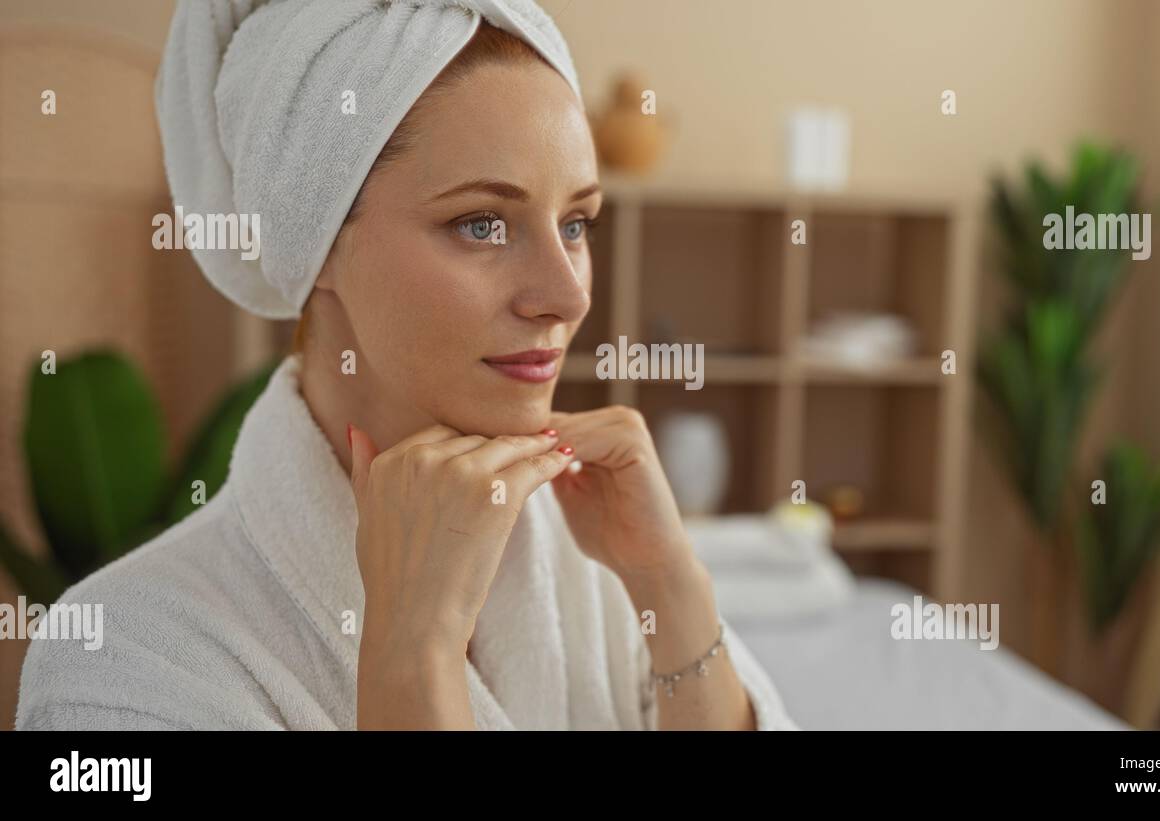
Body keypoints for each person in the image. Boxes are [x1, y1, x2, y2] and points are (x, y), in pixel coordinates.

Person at [15, 0, 797, 730]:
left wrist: (672, 585)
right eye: (482, 223)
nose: (566, 296)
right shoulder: (120, 655)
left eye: (576, 223)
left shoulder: (595, 573)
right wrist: (408, 661)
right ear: (314, 241)